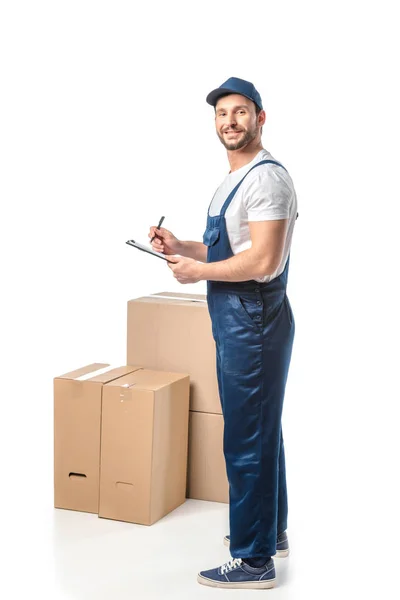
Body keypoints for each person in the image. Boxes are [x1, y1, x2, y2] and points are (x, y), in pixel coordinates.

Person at [148, 77, 298, 590]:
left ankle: (253, 560)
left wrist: (197, 274)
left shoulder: (266, 179)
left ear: (260, 117)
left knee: (247, 437)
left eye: (239, 112)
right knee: (261, 428)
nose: (229, 122)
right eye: (221, 115)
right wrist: (184, 247)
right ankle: (270, 532)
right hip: (240, 318)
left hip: (253, 318)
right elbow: (229, 250)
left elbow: (263, 260)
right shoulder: (233, 178)